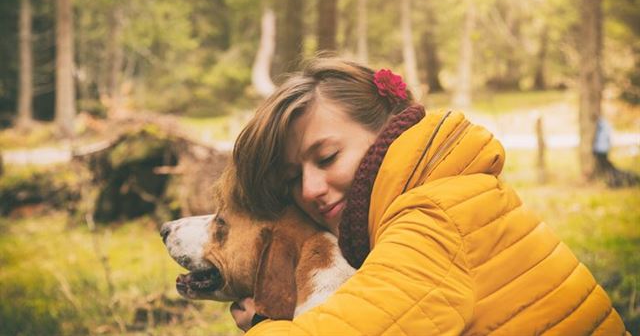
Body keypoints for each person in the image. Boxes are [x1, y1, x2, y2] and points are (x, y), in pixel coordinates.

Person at [229, 57, 628, 335]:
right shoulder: (447, 193)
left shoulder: (434, 216)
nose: (310, 189)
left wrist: (269, 327)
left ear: (388, 128)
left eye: (327, 157)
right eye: (291, 178)